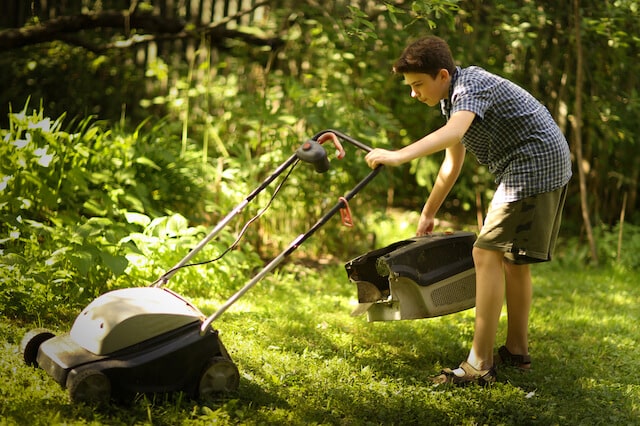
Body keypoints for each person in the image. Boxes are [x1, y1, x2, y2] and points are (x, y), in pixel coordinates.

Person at [364, 36, 572, 386]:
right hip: (543, 162)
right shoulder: (453, 99)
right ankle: (517, 352)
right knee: (512, 260)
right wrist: (429, 212)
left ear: (442, 75)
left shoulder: (469, 88)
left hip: (533, 165)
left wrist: (398, 155)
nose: (413, 94)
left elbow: (452, 134)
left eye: (418, 85)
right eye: (410, 86)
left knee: (485, 253)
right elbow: (452, 159)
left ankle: (479, 365)